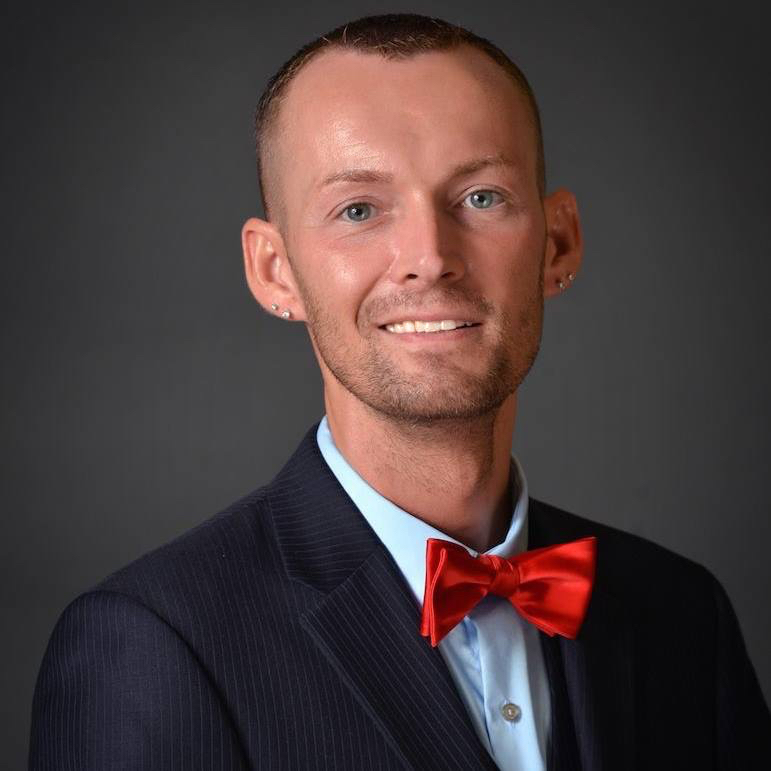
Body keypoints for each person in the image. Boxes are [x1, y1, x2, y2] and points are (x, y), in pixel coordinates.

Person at [28, 13, 770, 771]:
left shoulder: (682, 612)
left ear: (557, 243)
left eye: (480, 198)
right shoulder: (151, 643)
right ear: (274, 271)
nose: (428, 259)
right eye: (358, 210)